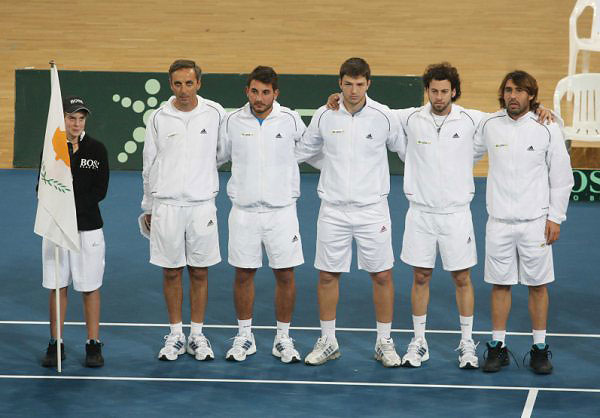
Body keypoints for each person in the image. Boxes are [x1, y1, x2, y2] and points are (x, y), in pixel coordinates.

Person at [325, 63, 554, 370]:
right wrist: (339, 98)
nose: (439, 97)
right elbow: (370, 108)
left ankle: (467, 343)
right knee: (420, 277)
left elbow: (513, 117)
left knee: (462, 278)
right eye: (434, 91)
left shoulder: (474, 120)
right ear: (427, 91)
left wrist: (542, 110)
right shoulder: (409, 118)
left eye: (445, 91)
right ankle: (419, 341)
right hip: (420, 214)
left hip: (456, 214)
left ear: (454, 92)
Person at [295, 57, 405, 367]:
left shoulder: (384, 116)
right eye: (348, 84)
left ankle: (384, 342)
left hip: (373, 210)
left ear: (368, 83)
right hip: (333, 209)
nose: (353, 91)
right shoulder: (324, 114)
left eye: (359, 84)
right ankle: (328, 340)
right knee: (327, 275)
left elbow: (407, 151)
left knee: (382, 275)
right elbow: (303, 150)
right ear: (339, 84)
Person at [474, 70, 573, 374]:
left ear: (531, 95)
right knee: (500, 285)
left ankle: (539, 349)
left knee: (538, 286)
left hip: (535, 223)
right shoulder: (489, 125)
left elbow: (561, 177)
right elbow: (460, 141)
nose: (512, 96)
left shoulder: (547, 127)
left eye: (519, 91)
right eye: (508, 90)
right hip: (499, 222)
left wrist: (555, 217)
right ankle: (497, 346)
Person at [217, 66, 306, 363]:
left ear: (276, 93)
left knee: (285, 274)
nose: (259, 98)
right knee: (243, 273)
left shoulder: (291, 119)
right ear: (247, 91)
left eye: (266, 92)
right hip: (243, 212)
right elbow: (217, 157)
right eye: (254, 91)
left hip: (282, 212)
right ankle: (245, 336)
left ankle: (283, 338)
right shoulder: (232, 121)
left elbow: (313, 149)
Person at [142, 59, 226, 361]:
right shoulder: (158, 117)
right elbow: (149, 163)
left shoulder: (216, 113)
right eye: (178, 84)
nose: (184, 90)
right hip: (166, 206)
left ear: (198, 84)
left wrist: (201, 175)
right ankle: (176, 334)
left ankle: (197, 335)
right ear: (170, 85)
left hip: (201, 205)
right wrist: (148, 205)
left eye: (189, 83)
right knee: (171, 271)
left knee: (200, 271)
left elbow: (223, 152)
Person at [41, 96, 109, 368]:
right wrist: (59, 210)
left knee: (90, 286)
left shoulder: (97, 149)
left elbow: (100, 190)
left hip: (88, 228)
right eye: (71, 118)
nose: (76, 123)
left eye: (81, 118)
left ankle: (93, 343)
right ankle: (55, 343)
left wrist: (70, 208)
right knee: (57, 285)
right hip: (56, 228)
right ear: (63, 120)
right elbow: (41, 187)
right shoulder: (52, 148)